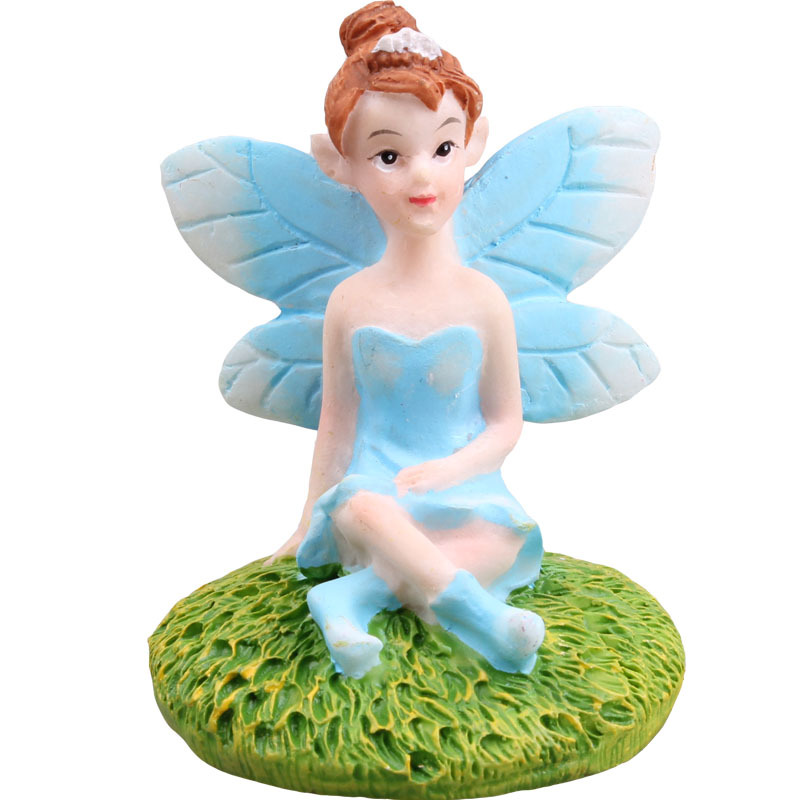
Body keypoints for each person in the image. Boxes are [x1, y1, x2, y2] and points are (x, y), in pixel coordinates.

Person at [268, 1, 545, 678]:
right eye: (389, 155)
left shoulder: (483, 301)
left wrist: (453, 470)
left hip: (468, 496)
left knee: (494, 544)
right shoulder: (351, 302)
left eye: (443, 148)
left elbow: (506, 422)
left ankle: (346, 603)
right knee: (365, 512)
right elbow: (338, 423)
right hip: (376, 495)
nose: (423, 176)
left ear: (471, 145)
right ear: (340, 164)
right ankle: (487, 622)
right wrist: (306, 522)